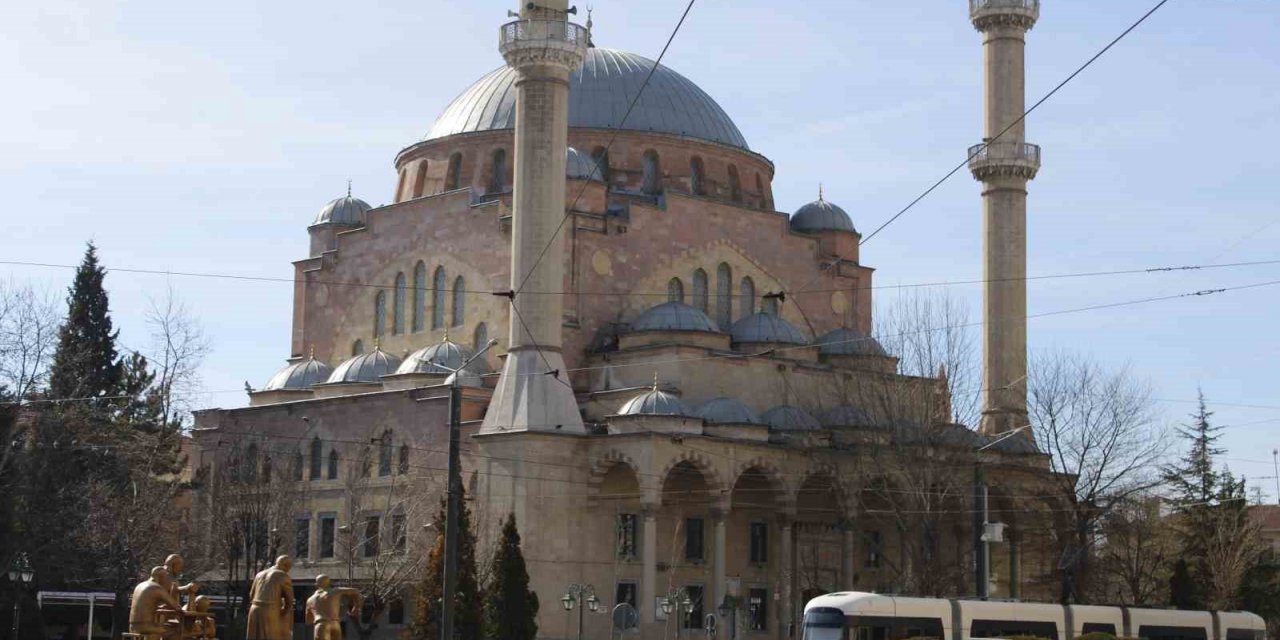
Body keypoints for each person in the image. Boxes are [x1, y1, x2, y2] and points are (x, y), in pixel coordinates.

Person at [246, 555, 294, 640]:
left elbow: (251, 595)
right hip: (270, 610)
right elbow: (289, 600)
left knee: (254, 636)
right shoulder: (282, 575)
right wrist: (284, 613)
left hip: (254, 609)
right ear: (286, 566)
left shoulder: (259, 574)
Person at [129, 567, 184, 639]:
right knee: (174, 630)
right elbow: (176, 607)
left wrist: (159, 607)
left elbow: (144, 605)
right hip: (146, 626)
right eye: (166, 578)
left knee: (160, 627)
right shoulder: (157, 588)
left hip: (132, 626)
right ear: (161, 577)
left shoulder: (139, 586)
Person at [304, 575, 363, 640]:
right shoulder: (336, 591)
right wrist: (357, 607)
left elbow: (308, 621)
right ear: (329, 583)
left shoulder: (310, 600)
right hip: (335, 624)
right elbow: (355, 591)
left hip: (322, 624)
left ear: (316, 584)